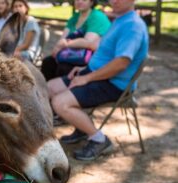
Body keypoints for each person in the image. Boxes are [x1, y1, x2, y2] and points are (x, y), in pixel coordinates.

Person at [47, 0, 149, 161]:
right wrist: (84, 69)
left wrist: (87, 78)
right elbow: (104, 54)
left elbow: (121, 63)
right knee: (49, 88)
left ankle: (100, 140)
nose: (113, 1)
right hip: (96, 73)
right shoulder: (119, 18)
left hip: (114, 84)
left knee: (60, 103)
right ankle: (82, 128)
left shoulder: (132, 26)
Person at [41, 0, 111, 81]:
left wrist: (65, 44)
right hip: (73, 53)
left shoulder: (97, 17)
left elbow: (88, 42)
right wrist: (58, 46)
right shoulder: (74, 18)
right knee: (48, 62)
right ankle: (46, 90)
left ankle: (60, 91)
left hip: (92, 58)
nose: (80, 1)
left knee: (64, 68)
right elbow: (62, 38)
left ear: (92, 2)